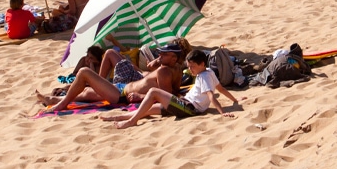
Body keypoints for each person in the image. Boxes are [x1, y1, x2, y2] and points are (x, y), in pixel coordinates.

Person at [103, 49, 238, 128]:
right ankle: (121, 116)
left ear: (202, 64)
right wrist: (235, 100)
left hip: (189, 108)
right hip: (184, 104)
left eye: (192, 67)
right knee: (148, 110)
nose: (190, 70)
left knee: (153, 92)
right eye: (188, 66)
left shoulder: (204, 77)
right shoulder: (209, 71)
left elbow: (211, 95)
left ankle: (132, 121)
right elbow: (221, 89)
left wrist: (222, 112)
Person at [36, 44, 182, 114]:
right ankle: (53, 100)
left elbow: (166, 97)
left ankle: (61, 104)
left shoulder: (164, 71)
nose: (159, 56)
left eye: (164, 54)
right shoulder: (176, 69)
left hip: (122, 95)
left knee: (83, 71)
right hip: (122, 89)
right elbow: (174, 91)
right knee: (87, 93)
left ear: (174, 57)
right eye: (160, 53)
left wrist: (141, 96)